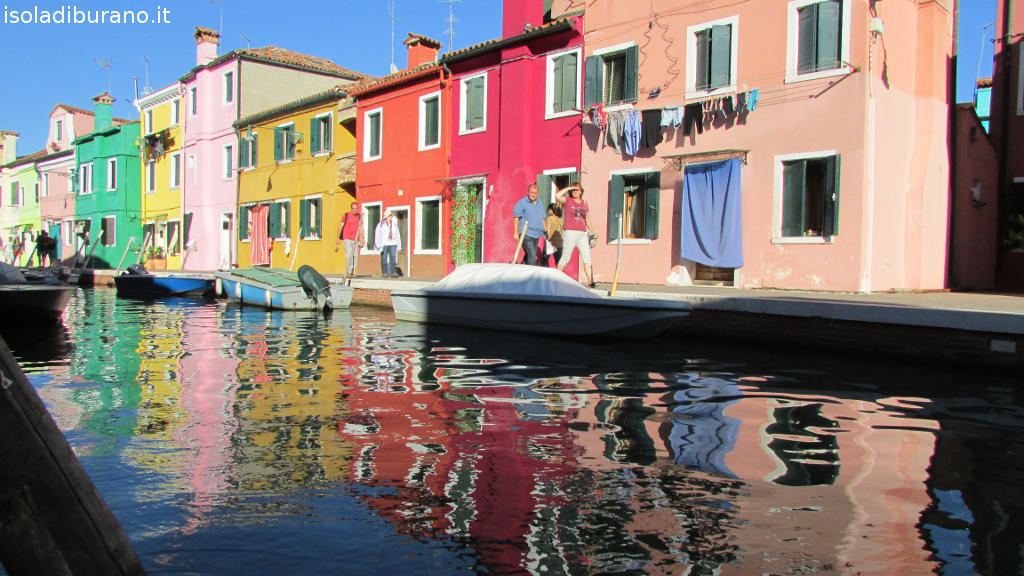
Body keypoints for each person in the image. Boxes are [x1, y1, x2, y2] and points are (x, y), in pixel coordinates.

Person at [555, 184, 597, 288]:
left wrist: (592, 231)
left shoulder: (584, 203)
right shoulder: (567, 200)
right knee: (566, 257)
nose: (575, 191)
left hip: (582, 233)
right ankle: (555, 279)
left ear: (581, 191)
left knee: (587, 258)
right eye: (573, 190)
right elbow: (557, 196)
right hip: (570, 232)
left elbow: (587, 218)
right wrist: (569, 188)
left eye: (577, 190)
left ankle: (591, 282)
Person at [512, 183, 547, 265]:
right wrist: (516, 232)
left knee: (529, 255)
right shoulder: (522, 203)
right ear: (527, 192)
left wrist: (545, 230)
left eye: (535, 193)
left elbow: (543, 217)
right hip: (526, 234)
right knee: (532, 257)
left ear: (537, 194)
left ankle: (520, 271)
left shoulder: (539, 203)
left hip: (536, 234)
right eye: (531, 192)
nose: (533, 195)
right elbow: (516, 218)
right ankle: (532, 276)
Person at [336, 202, 364, 278]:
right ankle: (348, 271)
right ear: (351, 208)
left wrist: (362, 238)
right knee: (349, 254)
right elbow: (340, 227)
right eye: (353, 208)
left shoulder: (359, 217)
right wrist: (338, 238)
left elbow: (361, 228)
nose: (355, 210)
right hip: (347, 237)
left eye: (356, 208)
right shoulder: (346, 216)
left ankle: (352, 271)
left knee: (355, 255)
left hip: (356, 238)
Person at [374, 210, 401, 278]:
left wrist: (398, 244)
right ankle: (384, 272)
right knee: (384, 258)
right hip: (384, 243)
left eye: (391, 215)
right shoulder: (381, 225)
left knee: (393, 257)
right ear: (386, 217)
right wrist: (378, 245)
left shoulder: (394, 225)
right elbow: (377, 235)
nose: (390, 217)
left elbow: (397, 235)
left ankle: (393, 272)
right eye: (389, 216)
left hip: (393, 243)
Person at [543, 203, 562, 267]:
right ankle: (560, 276)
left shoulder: (550, 218)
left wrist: (548, 239)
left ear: (552, 210)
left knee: (543, 261)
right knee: (558, 263)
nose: (548, 210)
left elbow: (548, 230)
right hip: (559, 243)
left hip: (551, 242)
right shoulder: (561, 219)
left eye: (549, 209)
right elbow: (562, 232)